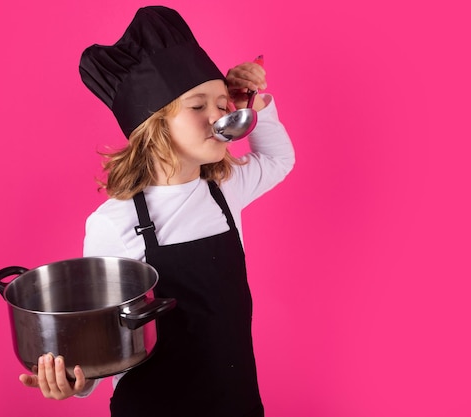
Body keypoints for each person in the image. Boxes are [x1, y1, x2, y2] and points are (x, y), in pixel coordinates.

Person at [18, 6, 294, 417]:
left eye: (223, 104)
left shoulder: (224, 190)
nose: (218, 116)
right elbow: (100, 339)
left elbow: (279, 159)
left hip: (235, 402)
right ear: (153, 125)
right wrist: (74, 384)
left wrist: (254, 102)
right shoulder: (114, 224)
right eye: (198, 106)